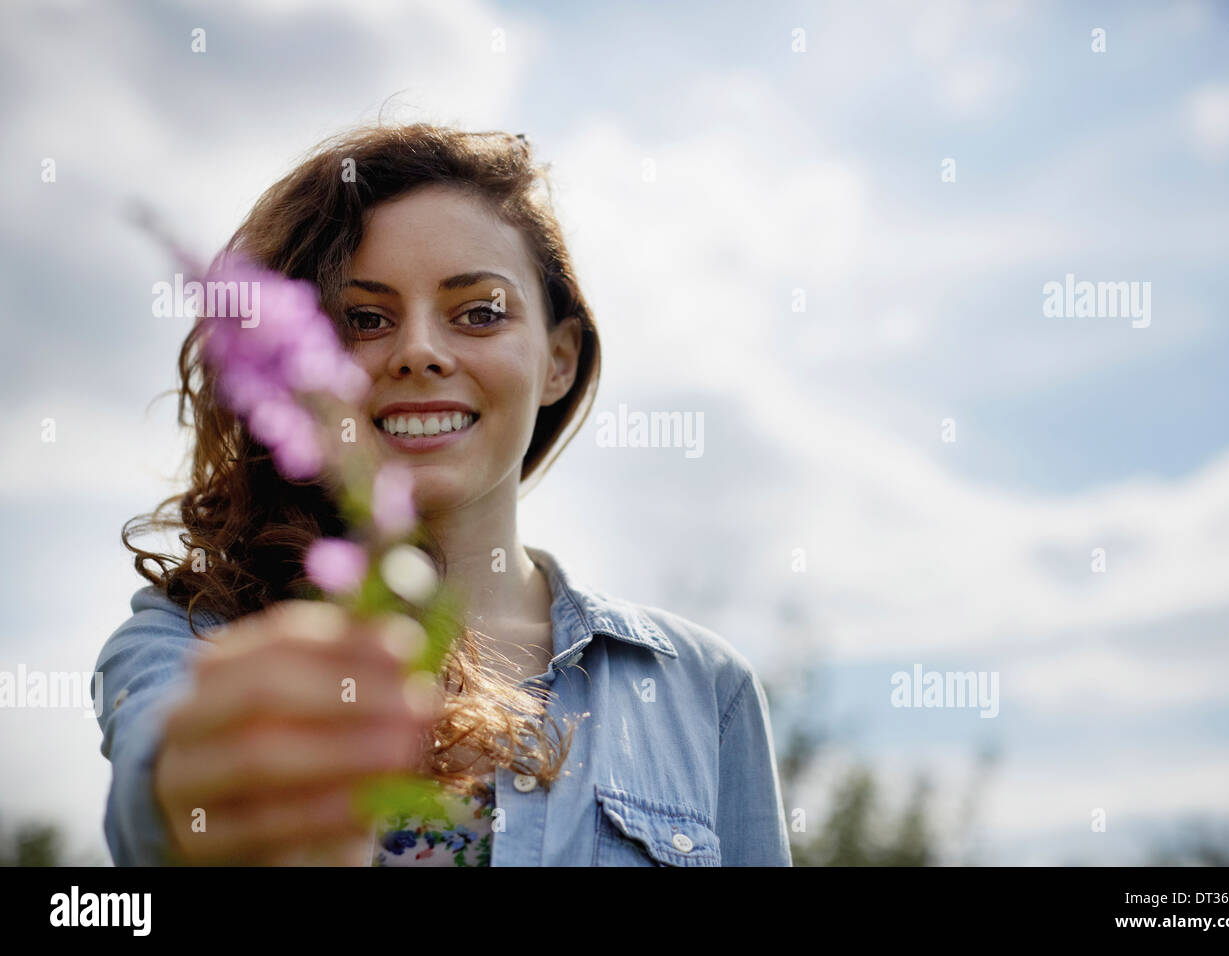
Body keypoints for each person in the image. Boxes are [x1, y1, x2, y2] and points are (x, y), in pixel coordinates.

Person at [94, 123, 791, 867]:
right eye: (363, 319)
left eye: (480, 312)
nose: (420, 351)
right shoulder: (193, 642)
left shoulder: (702, 689)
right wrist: (202, 794)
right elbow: (164, 787)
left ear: (558, 360)